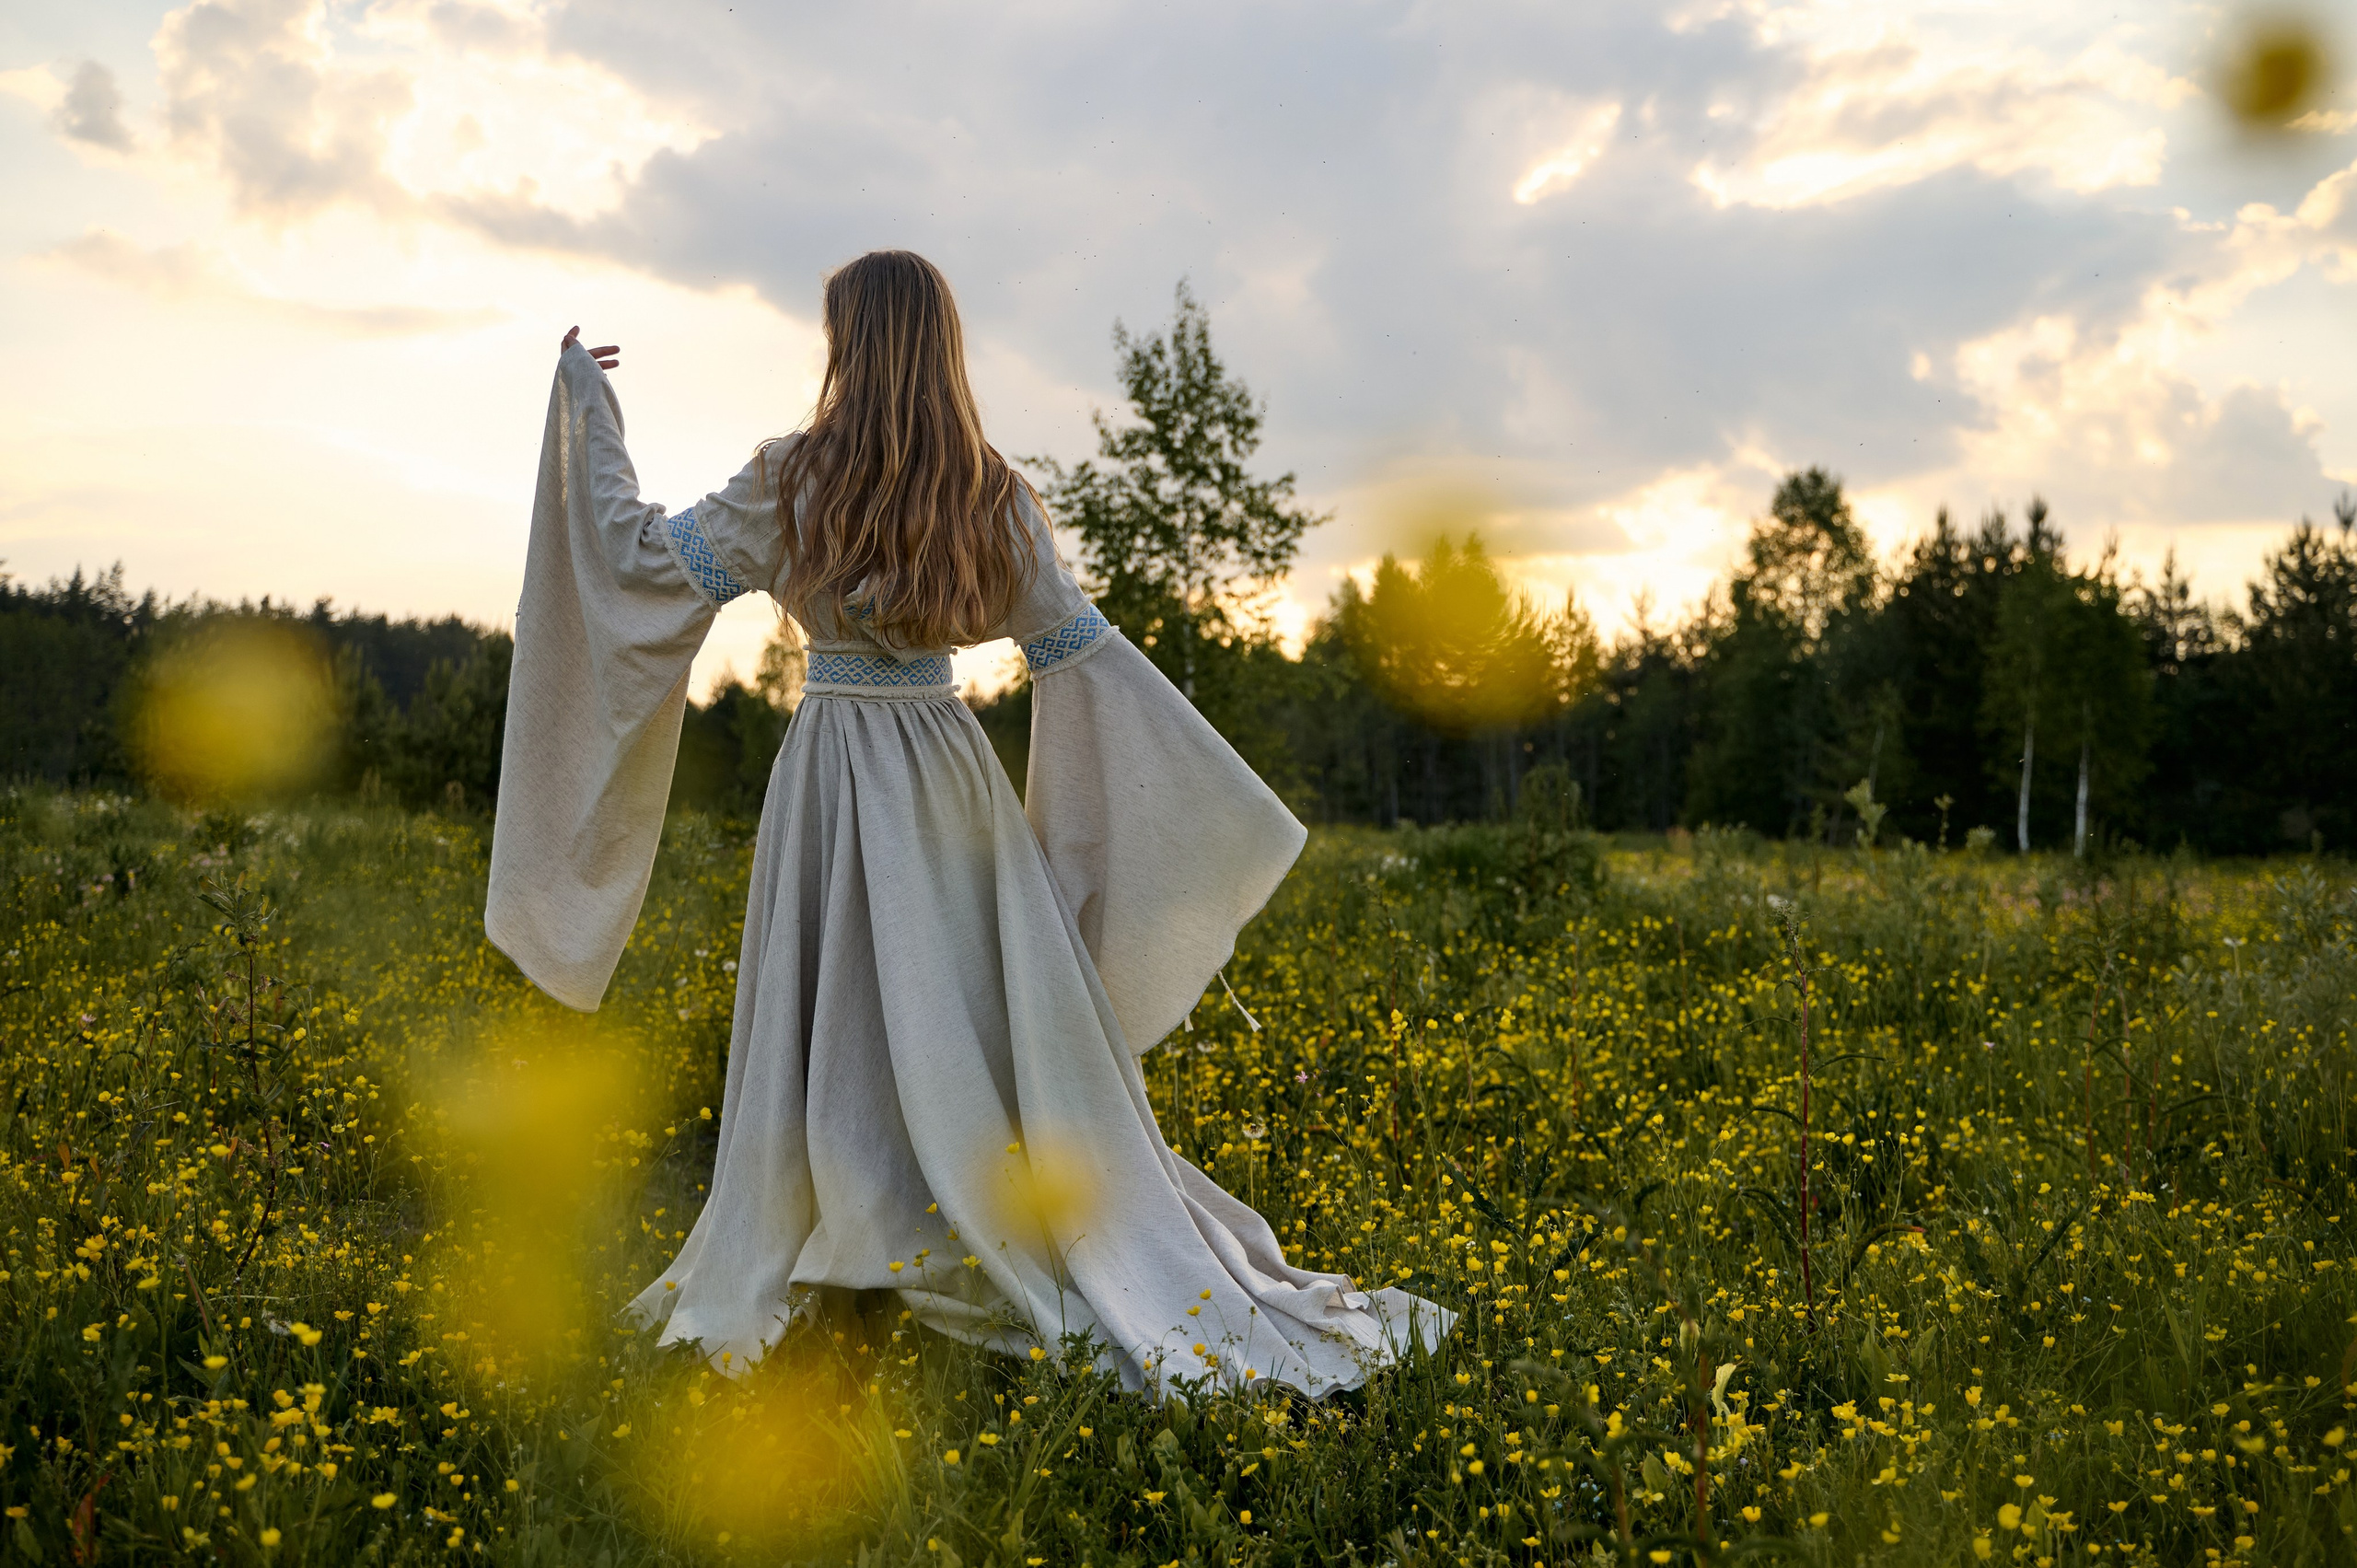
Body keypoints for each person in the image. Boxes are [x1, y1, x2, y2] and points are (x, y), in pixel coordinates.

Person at [486, 250, 1451, 1398]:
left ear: (849, 342)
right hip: (947, 775)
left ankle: (853, 1221)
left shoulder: (791, 479)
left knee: (840, 997)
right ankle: (923, 1213)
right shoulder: (989, 492)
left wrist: (587, 414)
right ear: (940, 344)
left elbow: (638, 560)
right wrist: (1189, 793)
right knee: (958, 1008)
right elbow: (1080, 656)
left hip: (837, 760)